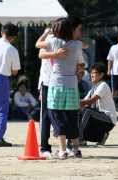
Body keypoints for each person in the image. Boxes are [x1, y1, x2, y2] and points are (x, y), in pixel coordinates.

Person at [37, 17, 83, 159]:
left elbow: (38, 45)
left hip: (56, 84)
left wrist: (47, 33)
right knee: (71, 116)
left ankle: (62, 150)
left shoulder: (54, 42)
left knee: (57, 115)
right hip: (72, 84)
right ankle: (76, 149)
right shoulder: (77, 45)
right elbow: (80, 64)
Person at [35, 17, 67, 158]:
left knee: (61, 113)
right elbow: (39, 50)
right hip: (47, 81)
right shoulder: (49, 38)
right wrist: (45, 33)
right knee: (46, 115)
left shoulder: (66, 40)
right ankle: (44, 147)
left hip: (61, 81)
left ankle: (64, 146)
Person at [80, 63, 117, 145]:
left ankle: (80, 138)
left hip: (108, 119)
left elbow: (90, 101)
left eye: (94, 73)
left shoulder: (103, 85)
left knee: (87, 111)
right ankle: (102, 135)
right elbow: (84, 102)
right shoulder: (93, 88)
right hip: (98, 117)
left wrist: (74, 102)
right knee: (79, 112)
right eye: (91, 73)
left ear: (101, 75)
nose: (91, 75)